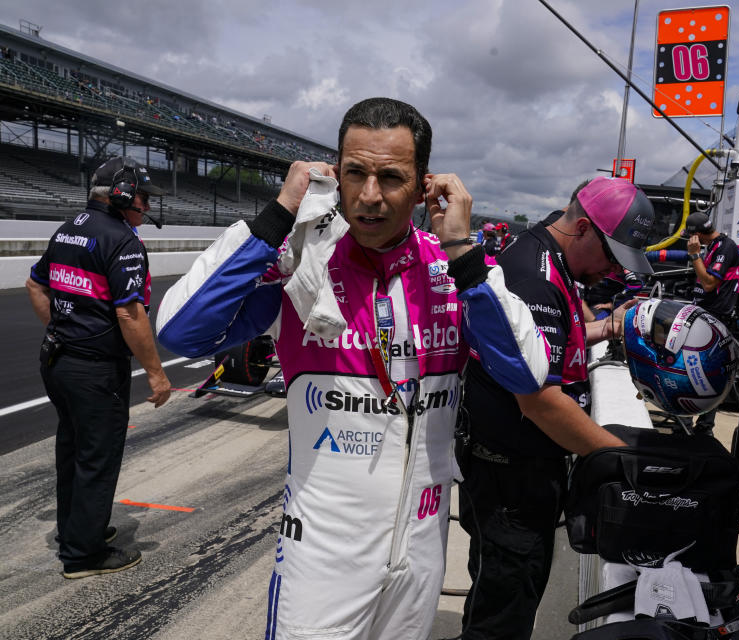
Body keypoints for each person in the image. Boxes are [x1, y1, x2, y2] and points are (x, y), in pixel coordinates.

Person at [156, 97, 548, 640]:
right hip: (322, 554)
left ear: (422, 185)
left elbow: (526, 375)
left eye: (390, 177)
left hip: (422, 546)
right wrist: (275, 219)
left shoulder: (454, 268)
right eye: (355, 173)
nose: (369, 196)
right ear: (335, 174)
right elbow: (181, 333)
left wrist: (462, 251)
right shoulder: (302, 263)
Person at [456, 176, 656, 640]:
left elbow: (550, 346)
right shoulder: (534, 276)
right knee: (501, 617)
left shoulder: (552, 256)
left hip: (521, 473)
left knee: (505, 598)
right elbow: (540, 402)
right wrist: (626, 462)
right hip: (508, 483)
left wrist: (605, 328)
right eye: (611, 255)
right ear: (584, 228)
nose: (612, 271)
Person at [25, 156, 171, 579]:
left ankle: (78, 529)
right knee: (97, 457)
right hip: (94, 370)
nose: (147, 205)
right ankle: (83, 555)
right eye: (143, 196)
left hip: (57, 360)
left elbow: (35, 283)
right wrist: (157, 374)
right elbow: (130, 316)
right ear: (123, 195)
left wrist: (63, 328)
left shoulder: (69, 228)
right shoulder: (123, 242)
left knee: (72, 450)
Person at [685, 210, 739, 437]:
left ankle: (704, 428)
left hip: (716, 319)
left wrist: (694, 255)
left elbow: (709, 283)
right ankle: (686, 423)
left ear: (697, 234)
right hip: (704, 315)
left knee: (711, 374)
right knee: (689, 370)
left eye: (692, 237)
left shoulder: (725, 247)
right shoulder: (714, 247)